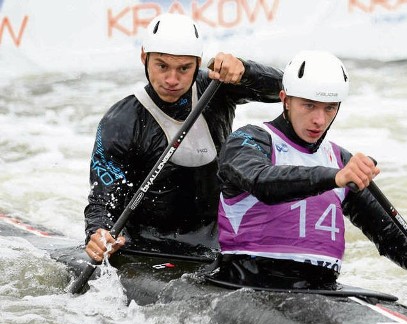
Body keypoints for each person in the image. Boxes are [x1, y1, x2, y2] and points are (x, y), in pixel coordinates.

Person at [212, 50, 407, 302]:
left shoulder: (340, 160)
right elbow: (262, 181)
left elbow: (387, 232)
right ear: (285, 99)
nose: (319, 120)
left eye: (330, 108)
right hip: (247, 286)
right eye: (309, 105)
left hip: (322, 291)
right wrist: (334, 178)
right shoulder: (248, 140)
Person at [84, 13, 282, 262]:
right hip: (149, 249)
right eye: (162, 66)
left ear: (198, 62)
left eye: (184, 68)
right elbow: (103, 200)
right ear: (144, 58)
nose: (172, 80)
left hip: (221, 243)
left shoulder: (216, 88)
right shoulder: (120, 122)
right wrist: (98, 234)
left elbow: (287, 91)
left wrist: (246, 70)